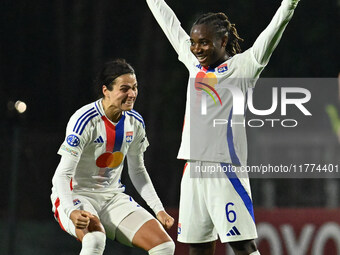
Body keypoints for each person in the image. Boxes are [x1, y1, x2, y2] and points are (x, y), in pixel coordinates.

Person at [145, 0, 300, 254]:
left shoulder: (243, 67)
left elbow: (274, 30)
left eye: (204, 42)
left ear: (223, 41)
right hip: (192, 169)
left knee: (242, 246)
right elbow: (169, 23)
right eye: (194, 42)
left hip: (225, 170)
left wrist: (289, 4)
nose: (196, 48)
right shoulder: (194, 63)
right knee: (197, 248)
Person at [50, 59, 175, 255]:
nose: (132, 94)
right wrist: (70, 210)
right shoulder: (84, 120)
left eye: (135, 88)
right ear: (106, 90)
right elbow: (62, 175)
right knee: (94, 240)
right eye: (124, 88)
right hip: (76, 195)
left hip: (112, 198)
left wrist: (158, 209)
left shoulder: (135, 122)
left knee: (164, 246)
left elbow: (137, 170)